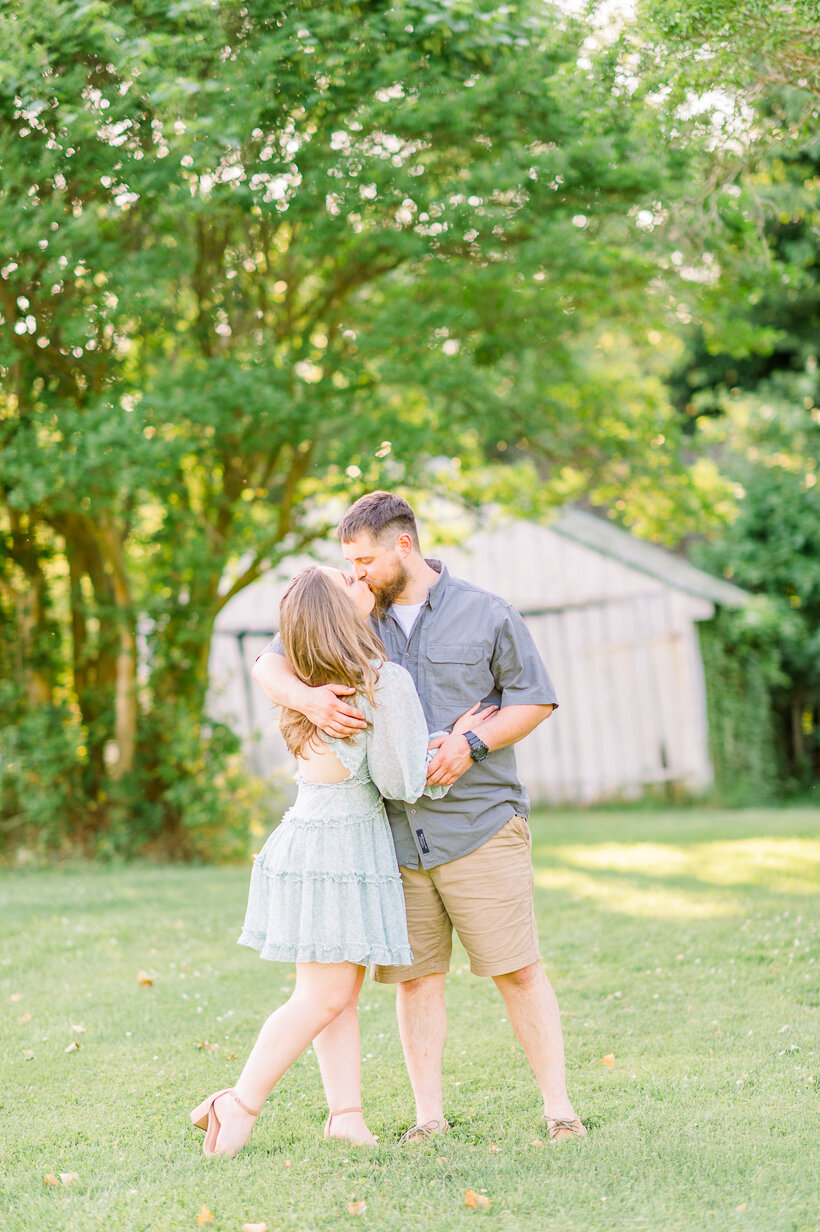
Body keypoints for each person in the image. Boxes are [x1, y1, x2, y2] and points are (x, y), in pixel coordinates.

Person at [252, 491, 586, 1144]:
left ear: (403, 546)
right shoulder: (346, 615)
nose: (355, 573)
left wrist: (471, 743)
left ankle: (558, 1107)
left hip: (478, 823)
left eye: (364, 559)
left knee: (517, 968)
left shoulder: (487, 613)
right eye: (348, 562)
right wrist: (309, 701)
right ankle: (427, 1117)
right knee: (416, 981)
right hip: (391, 838)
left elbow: (536, 699)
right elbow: (270, 662)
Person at [190, 564, 493, 1156]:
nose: (364, 582)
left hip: (309, 835)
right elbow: (403, 783)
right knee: (322, 996)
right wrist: (456, 739)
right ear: (338, 612)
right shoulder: (383, 681)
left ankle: (346, 1116)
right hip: (339, 846)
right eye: (350, 582)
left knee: (336, 992)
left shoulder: (308, 679)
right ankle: (239, 1104)